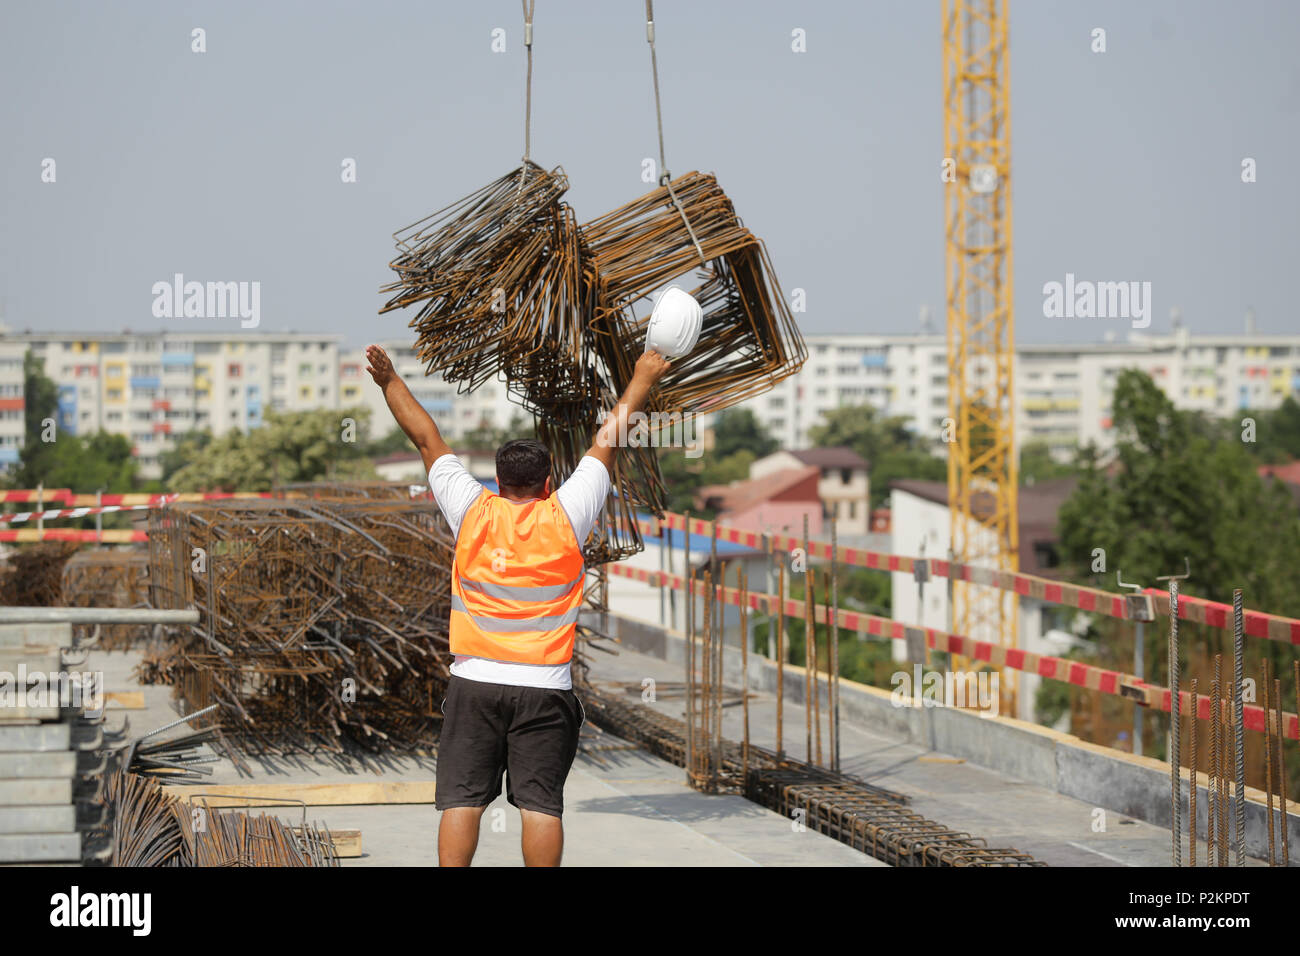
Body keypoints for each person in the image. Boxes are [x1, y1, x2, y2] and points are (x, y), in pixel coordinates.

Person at [365, 343, 672, 866]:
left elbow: (424, 437)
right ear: (549, 483)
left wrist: (389, 378)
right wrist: (642, 375)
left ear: (498, 482)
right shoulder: (567, 513)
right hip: (544, 687)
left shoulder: (470, 509)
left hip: (475, 682)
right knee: (540, 804)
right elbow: (608, 440)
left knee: (462, 799)